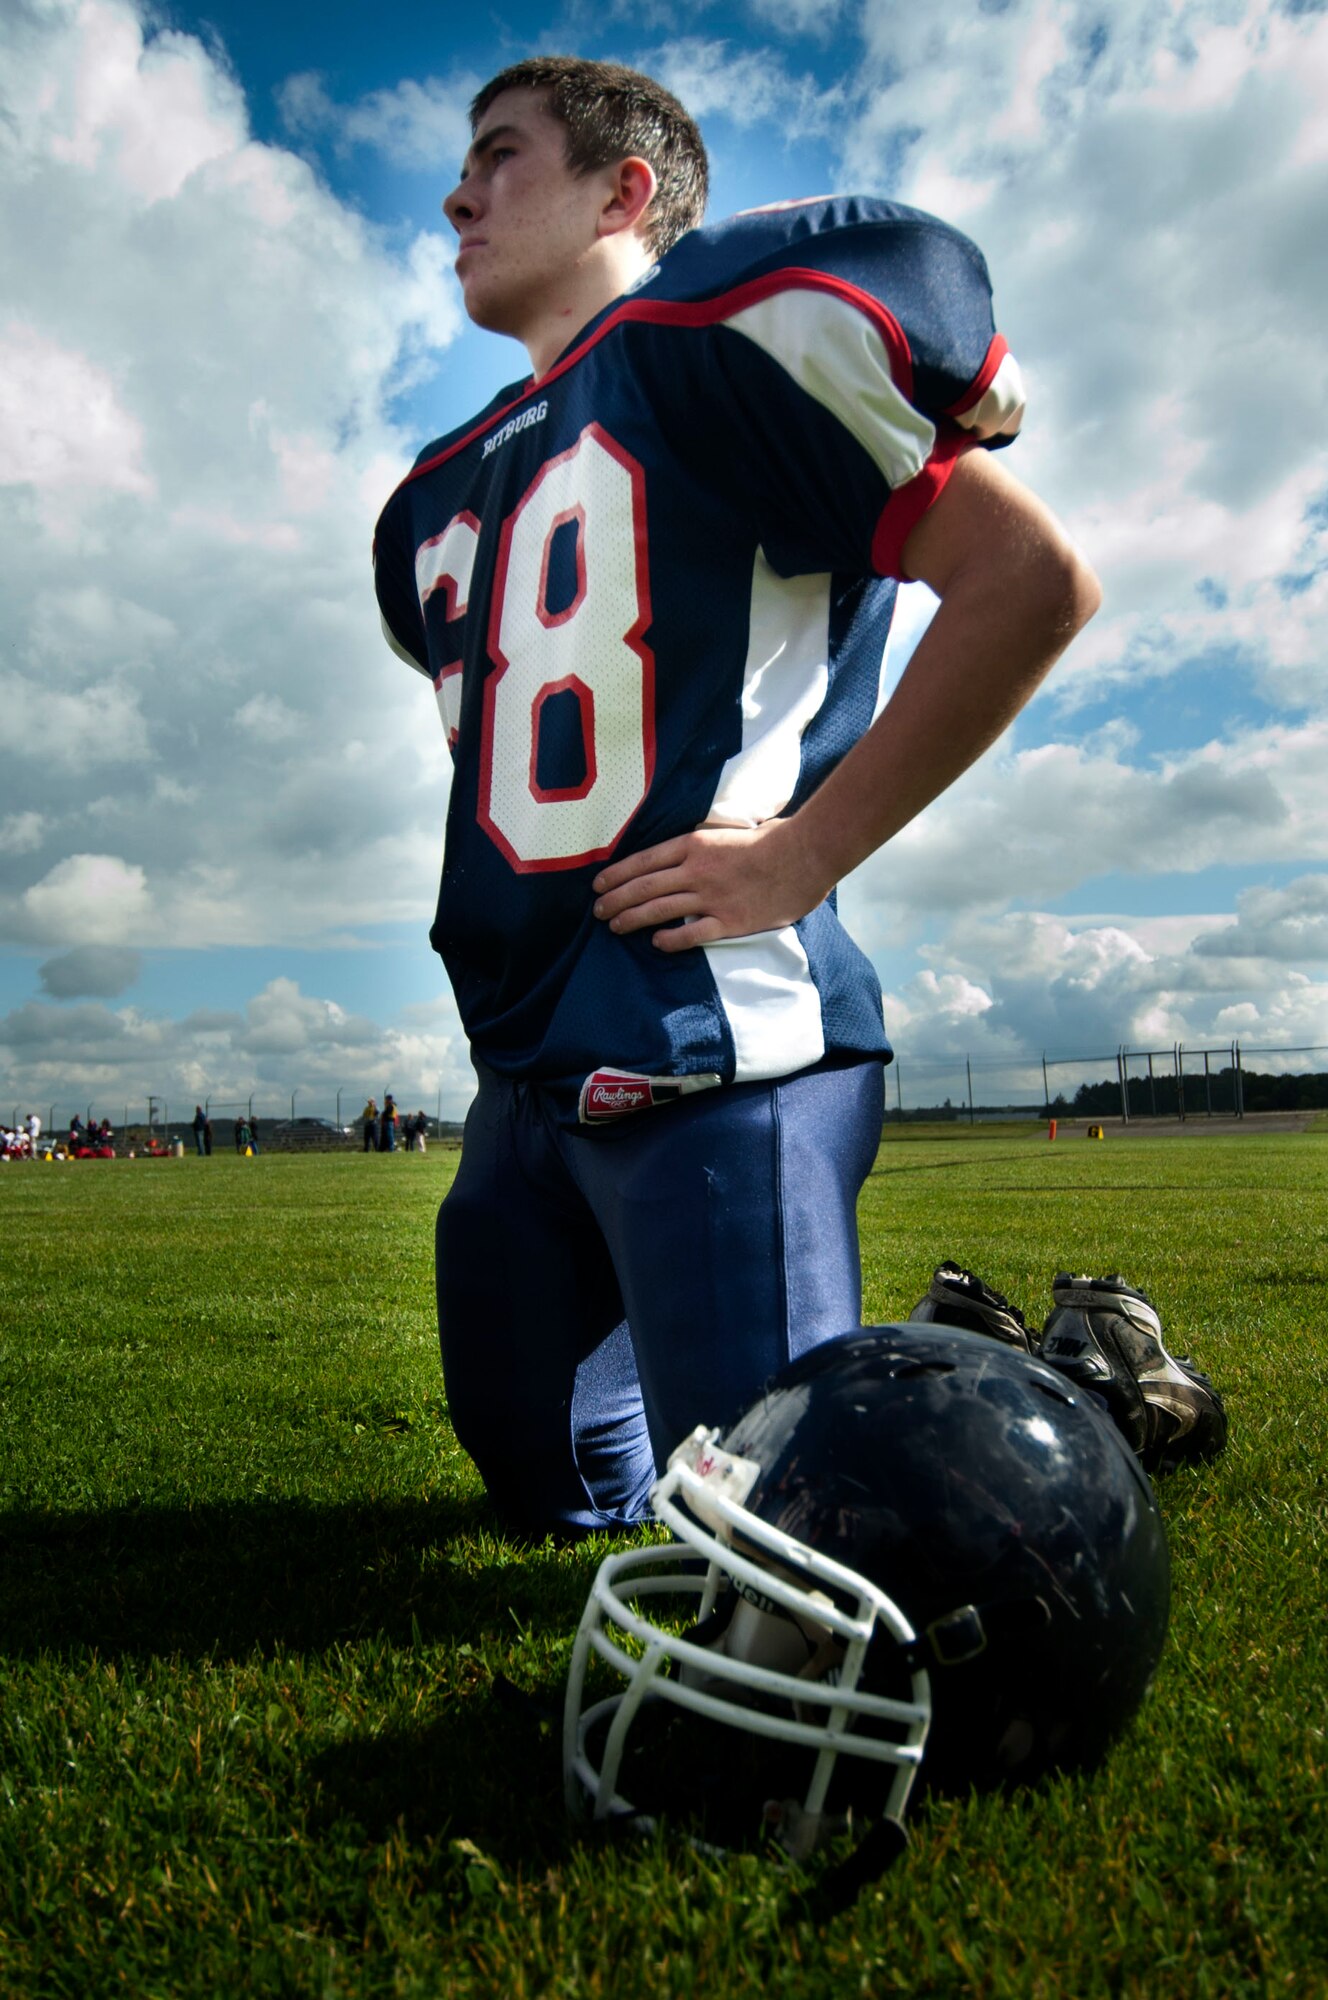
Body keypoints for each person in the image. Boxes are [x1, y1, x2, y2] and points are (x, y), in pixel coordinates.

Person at [372, 56, 1102, 1538]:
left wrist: (803, 852)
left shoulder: (715, 340)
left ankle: (1055, 1391)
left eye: (500, 157)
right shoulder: (439, 494)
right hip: (524, 1063)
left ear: (622, 191)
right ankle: (938, 1358)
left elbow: (1030, 582)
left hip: (719, 1027)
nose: (458, 192)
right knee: (556, 1487)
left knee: (785, 1528)